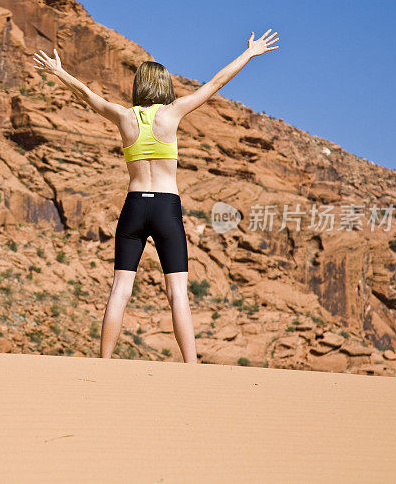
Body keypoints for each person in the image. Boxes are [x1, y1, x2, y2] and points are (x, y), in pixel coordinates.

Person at [32, 29, 279, 362]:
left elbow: (88, 96)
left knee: (120, 288)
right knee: (177, 292)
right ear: (165, 86)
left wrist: (59, 72)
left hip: (134, 206)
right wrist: (249, 54)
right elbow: (214, 84)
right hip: (166, 207)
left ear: (139, 86)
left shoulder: (123, 116)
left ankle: (104, 362)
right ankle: (191, 366)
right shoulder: (172, 114)